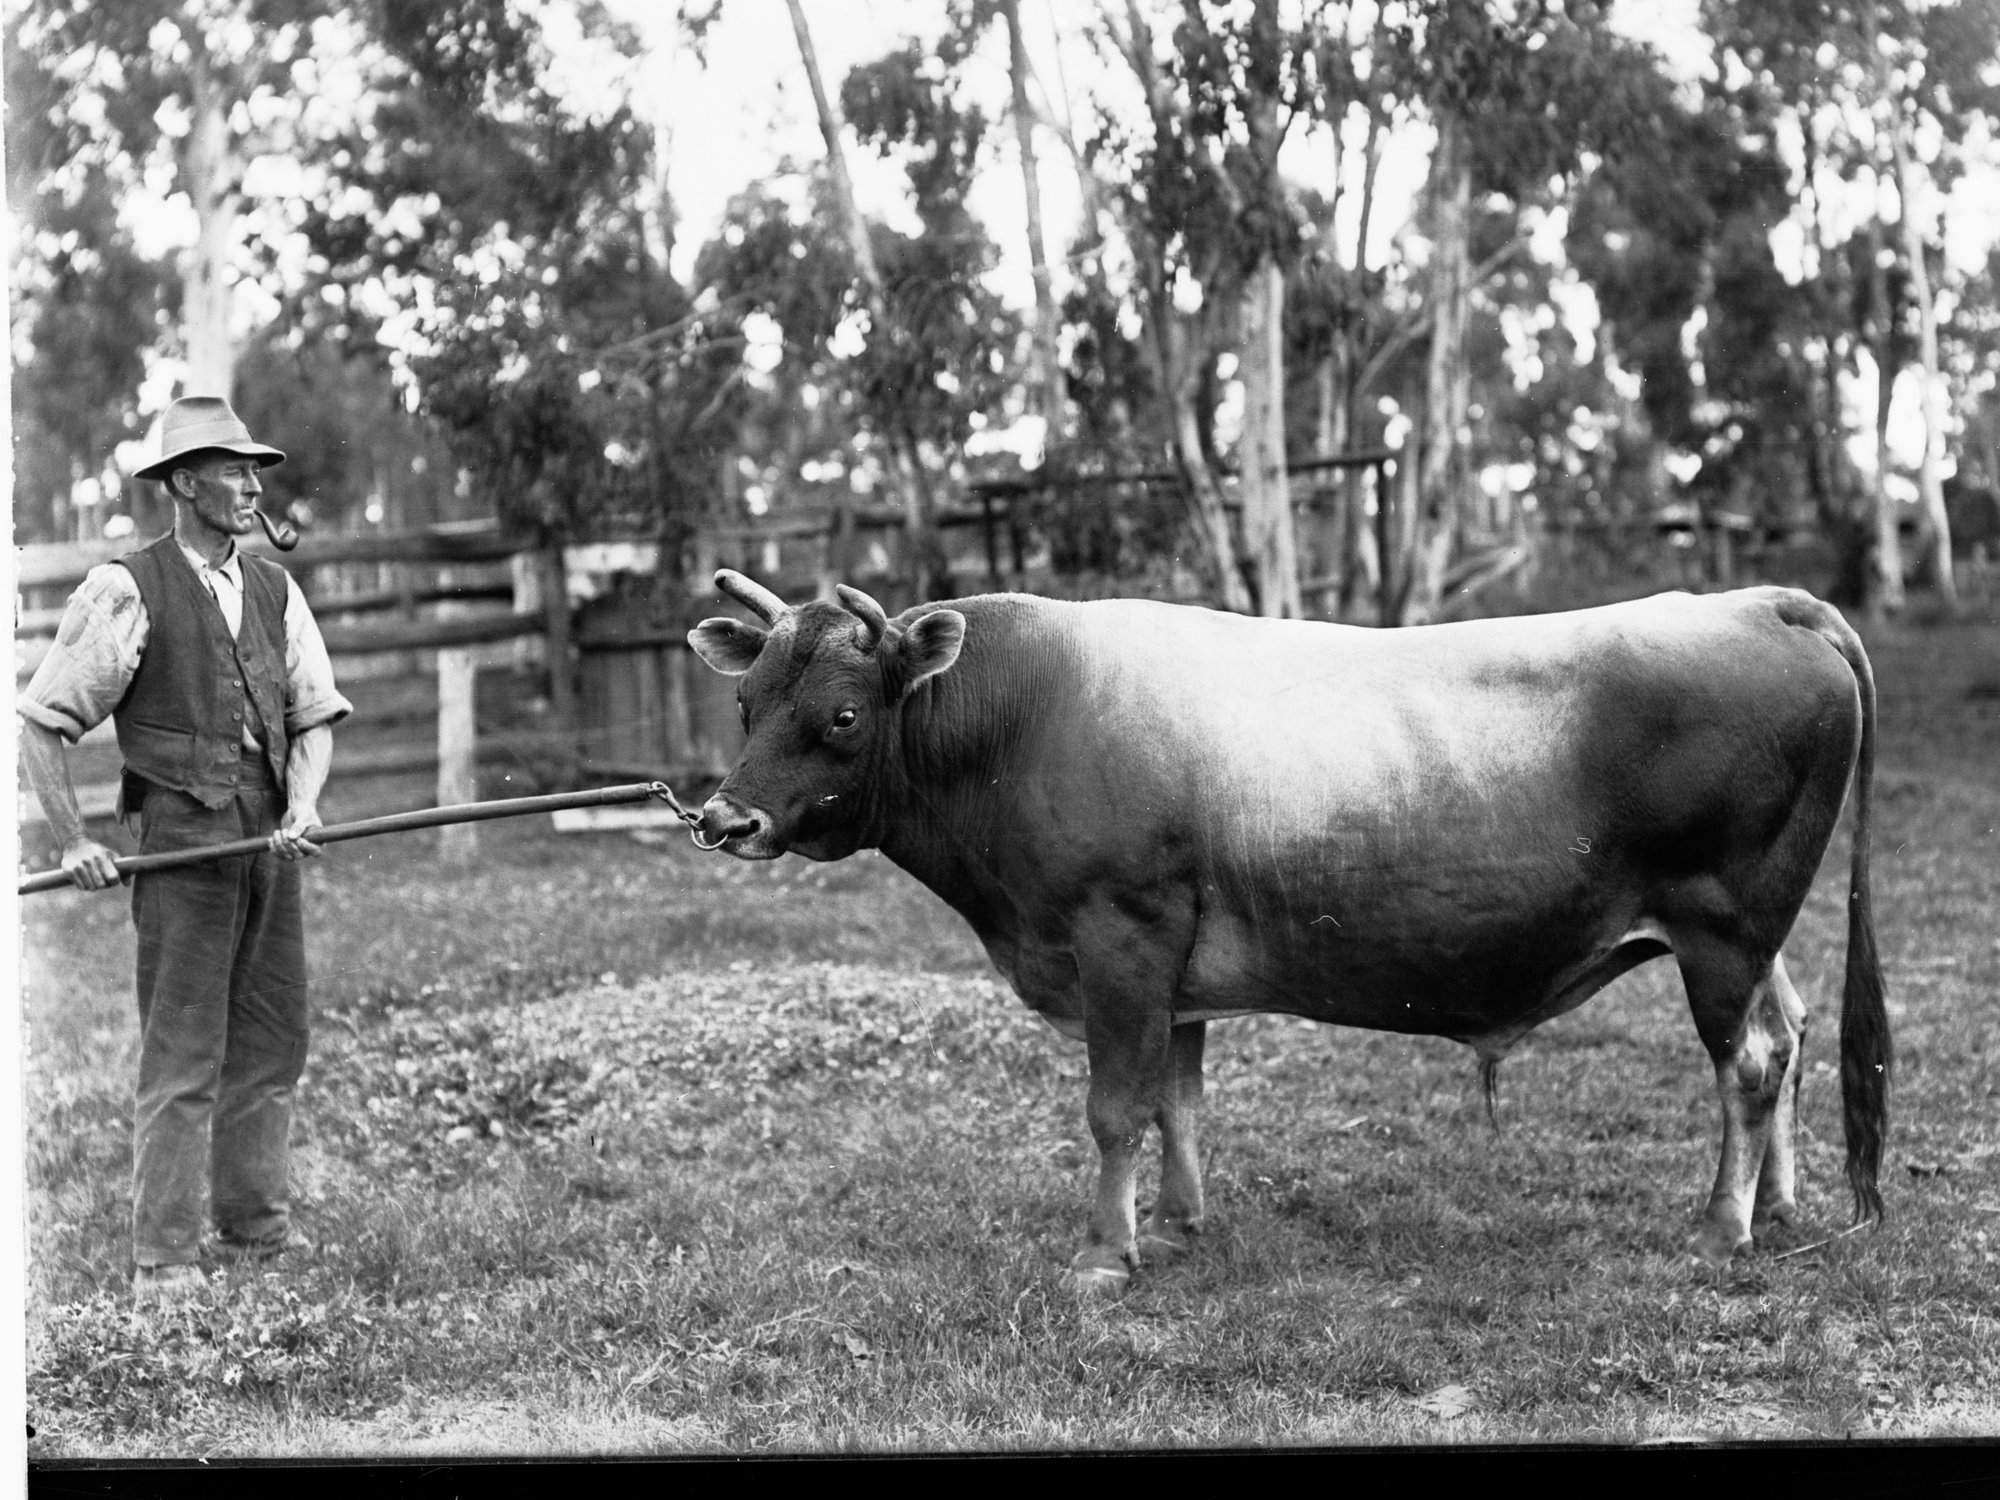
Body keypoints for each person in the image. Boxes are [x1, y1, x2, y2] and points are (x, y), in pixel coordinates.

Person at [19, 396, 352, 1306]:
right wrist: (76, 838)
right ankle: (162, 1264)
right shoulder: (126, 588)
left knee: (274, 1040)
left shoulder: (277, 589)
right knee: (182, 1052)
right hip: (182, 847)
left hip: (271, 844)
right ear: (181, 483)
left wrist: (305, 806)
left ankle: (256, 1233)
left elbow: (314, 714)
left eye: (256, 469)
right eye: (232, 468)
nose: (252, 484)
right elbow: (44, 726)